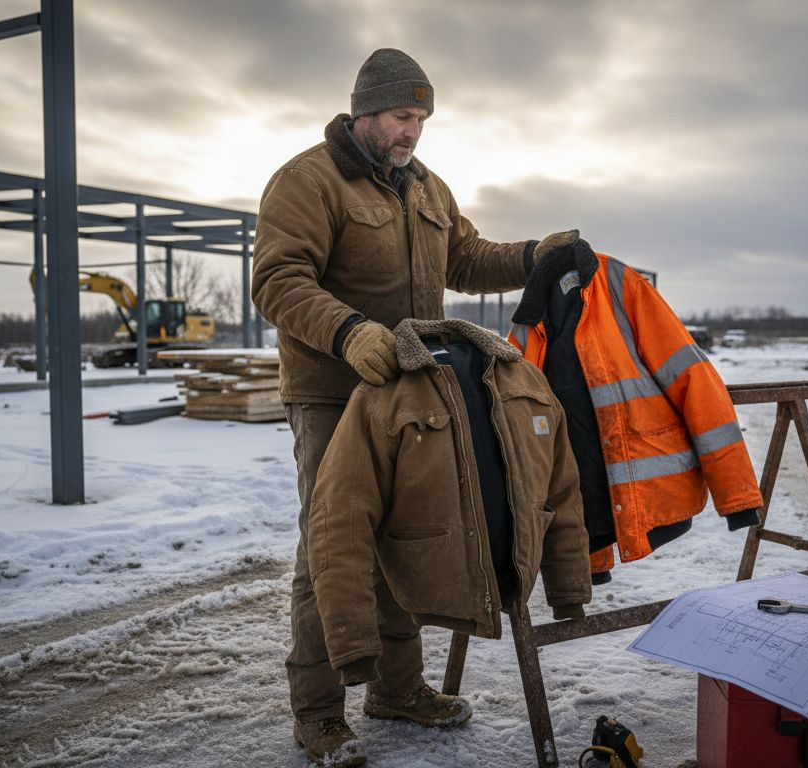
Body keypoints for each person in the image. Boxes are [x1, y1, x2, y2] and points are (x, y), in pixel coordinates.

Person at [250, 47, 578, 767]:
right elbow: (276, 280)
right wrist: (348, 332)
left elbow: (466, 259)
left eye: (423, 119)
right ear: (366, 110)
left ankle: (397, 689)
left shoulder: (426, 188)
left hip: (411, 395)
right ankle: (318, 712)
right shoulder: (309, 181)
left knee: (404, 535)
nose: (413, 132)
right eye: (404, 116)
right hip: (335, 394)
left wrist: (532, 255)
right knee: (331, 546)